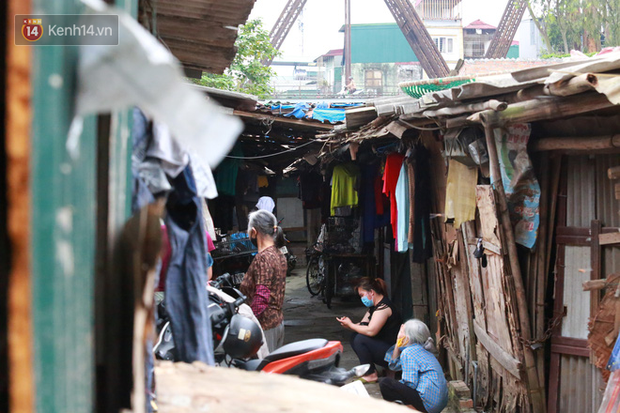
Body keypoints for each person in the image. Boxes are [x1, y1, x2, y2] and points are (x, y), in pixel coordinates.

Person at [336, 277, 402, 383]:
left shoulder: (383, 308)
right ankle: (370, 371)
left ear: (371, 292)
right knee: (355, 336)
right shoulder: (373, 308)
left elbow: (371, 331)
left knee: (360, 339)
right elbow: (362, 325)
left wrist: (352, 325)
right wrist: (349, 325)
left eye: (362, 295)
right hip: (385, 347)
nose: (362, 299)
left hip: (393, 353)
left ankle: (371, 374)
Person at [240, 209, 288, 352]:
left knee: (262, 370)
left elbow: (261, 297)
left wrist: (247, 323)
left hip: (265, 326)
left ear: (254, 232)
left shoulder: (263, 258)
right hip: (277, 323)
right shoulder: (278, 253)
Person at [381, 319, 448, 413]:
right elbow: (394, 366)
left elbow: (410, 383)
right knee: (395, 385)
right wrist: (397, 343)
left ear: (407, 337)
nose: (399, 334)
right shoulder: (422, 349)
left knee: (386, 384)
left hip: (428, 404)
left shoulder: (409, 352)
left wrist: (397, 386)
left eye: (401, 332)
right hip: (437, 404)